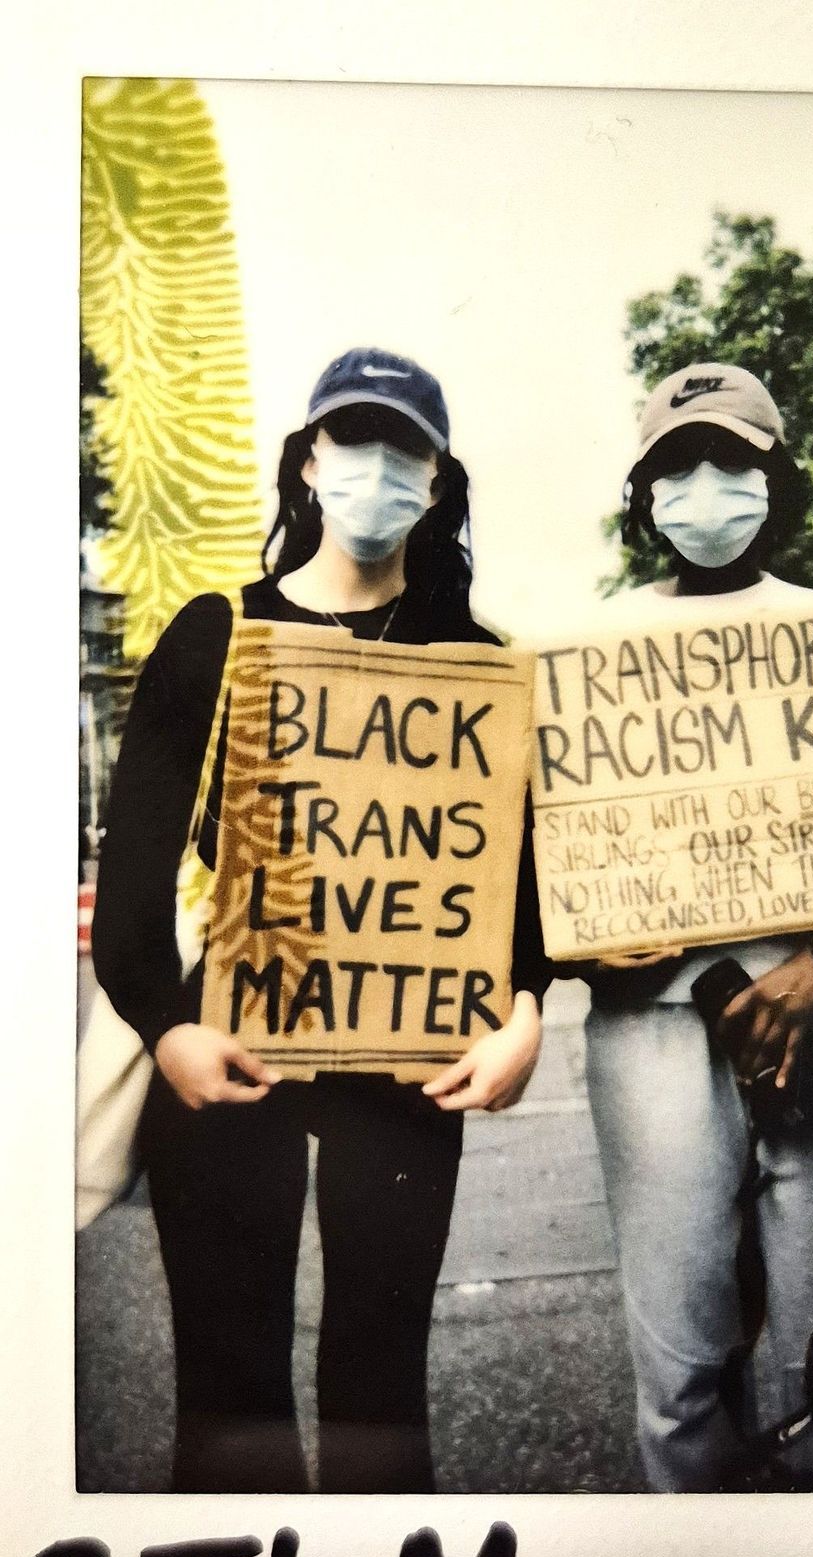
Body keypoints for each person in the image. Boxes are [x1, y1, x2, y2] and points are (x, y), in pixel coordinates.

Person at [92, 348, 548, 1494]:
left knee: (380, 1391)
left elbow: (519, 894)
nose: (378, 472)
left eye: (408, 451)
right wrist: (166, 1030)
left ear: (439, 485)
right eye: (354, 442)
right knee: (227, 1390)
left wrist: (524, 1014)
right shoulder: (213, 637)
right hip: (229, 1054)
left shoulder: (480, 668)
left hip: (407, 1070)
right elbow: (134, 881)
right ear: (307, 463)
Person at [582, 362, 813, 1493]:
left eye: (731, 462)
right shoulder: (589, 647)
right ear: (645, 492)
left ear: (775, 479)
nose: (704, 487)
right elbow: (551, 852)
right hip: (654, 1033)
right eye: (677, 465)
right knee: (679, 1357)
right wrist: (580, 932)